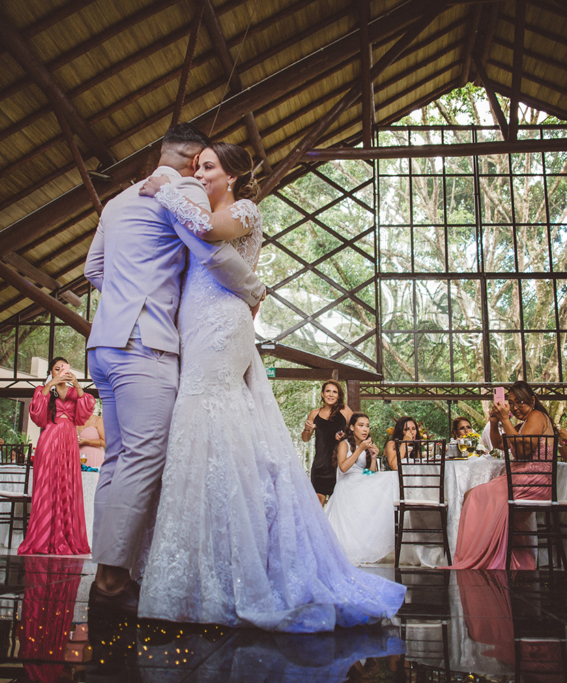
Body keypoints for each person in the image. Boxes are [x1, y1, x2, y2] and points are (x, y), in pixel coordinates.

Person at [134, 141, 405, 630]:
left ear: (232, 176)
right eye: (195, 167)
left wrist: (169, 186)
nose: (200, 173)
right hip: (192, 320)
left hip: (223, 323)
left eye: (208, 167)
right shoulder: (195, 212)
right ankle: (212, 556)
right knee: (211, 423)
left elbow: (209, 230)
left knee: (205, 410)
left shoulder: (244, 211)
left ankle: (236, 563)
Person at [84, 123, 268, 611]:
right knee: (144, 458)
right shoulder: (183, 189)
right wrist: (254, 290)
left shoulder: (117, 202)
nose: (203, 175)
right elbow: (210, 251)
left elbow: (93, 270)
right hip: (146, 343)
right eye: (201, 164)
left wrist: (125, 302)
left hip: (103, 343)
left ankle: (104, 570)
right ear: (191, 163)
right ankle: (110, 582)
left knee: (118, 457)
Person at [451, 381, 557, 570]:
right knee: (472, 495)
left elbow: (524, 449)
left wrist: (506, 420)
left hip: (534, 481)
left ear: (532, 400)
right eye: (511, 404)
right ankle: (484, 553)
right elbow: (500, 443)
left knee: (476, 496)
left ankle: (485, 555)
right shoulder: (524, 422)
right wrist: (494, 422)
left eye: (520, 403)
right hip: (520, 478)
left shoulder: (537, 415)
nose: (515, 408)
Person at [17, 357, 94, 556]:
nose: (60, 371)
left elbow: (83, 415)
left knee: (67, 486)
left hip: (69, 442)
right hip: (49, 442)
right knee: (47, 486)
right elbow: (38, 417)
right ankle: (43, 538)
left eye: (63, 368)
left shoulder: (73, 393)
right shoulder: (43, 391)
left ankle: (68, 537)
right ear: (51, 372)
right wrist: (48, 385)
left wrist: (77, 385)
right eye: (56, 368)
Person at [326, 413, 398, 564]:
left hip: (361, 480)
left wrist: (372, 457)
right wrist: (360, 450)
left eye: (367, 426)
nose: (365, 429)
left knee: (391, 477)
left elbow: (370, 473)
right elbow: (343, 467)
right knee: (390, 478)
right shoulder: (344, 444)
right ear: (352, 427)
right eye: (361, 425)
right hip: (348, 482)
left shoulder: (365, 446)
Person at [302, 381, 353, 503]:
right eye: (328, 391)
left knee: (337, 502)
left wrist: (344, 436)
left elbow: (355, 433)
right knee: (318, 503)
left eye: (334, 392)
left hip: (339, 464)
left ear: (339, 396)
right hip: (320, 465)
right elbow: (305, 438)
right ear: (322, 394)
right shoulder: (315, 413)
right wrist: (306, 429)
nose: (331, 395)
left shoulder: (345, 411)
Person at [78, 404, 106, 468]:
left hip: (94, 458)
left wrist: (87, 442)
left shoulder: (98, 420)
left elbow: (105, 442)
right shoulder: (74, 421)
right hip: (76, 460)